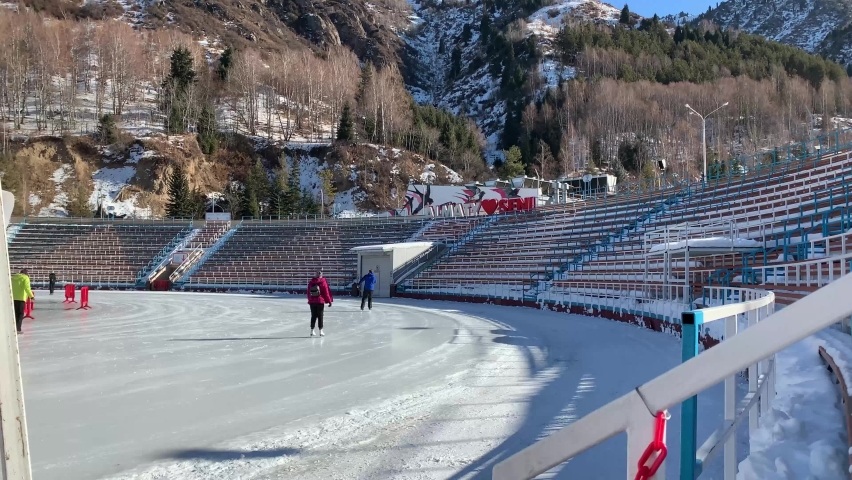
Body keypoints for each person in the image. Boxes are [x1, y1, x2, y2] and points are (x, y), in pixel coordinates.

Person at [307, 270, 332, 337]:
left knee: (313, 316)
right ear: (321, 275)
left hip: (312, 302)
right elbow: (326, 293)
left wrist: (309, 300)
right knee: (320, 317)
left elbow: (308, 292)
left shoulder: (311, 282)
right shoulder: (323, 282)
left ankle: (312, 331)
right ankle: (321, 331)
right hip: (320, 301)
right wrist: (329, 301)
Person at [11, 269, 34, 334]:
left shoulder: (13, 277)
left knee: (14, 314)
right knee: (20, 314)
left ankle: (13, 328)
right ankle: (18, 329)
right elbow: (27, 288)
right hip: (21, 298)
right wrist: (31, 296)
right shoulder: (25, 278)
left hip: (13, 298)